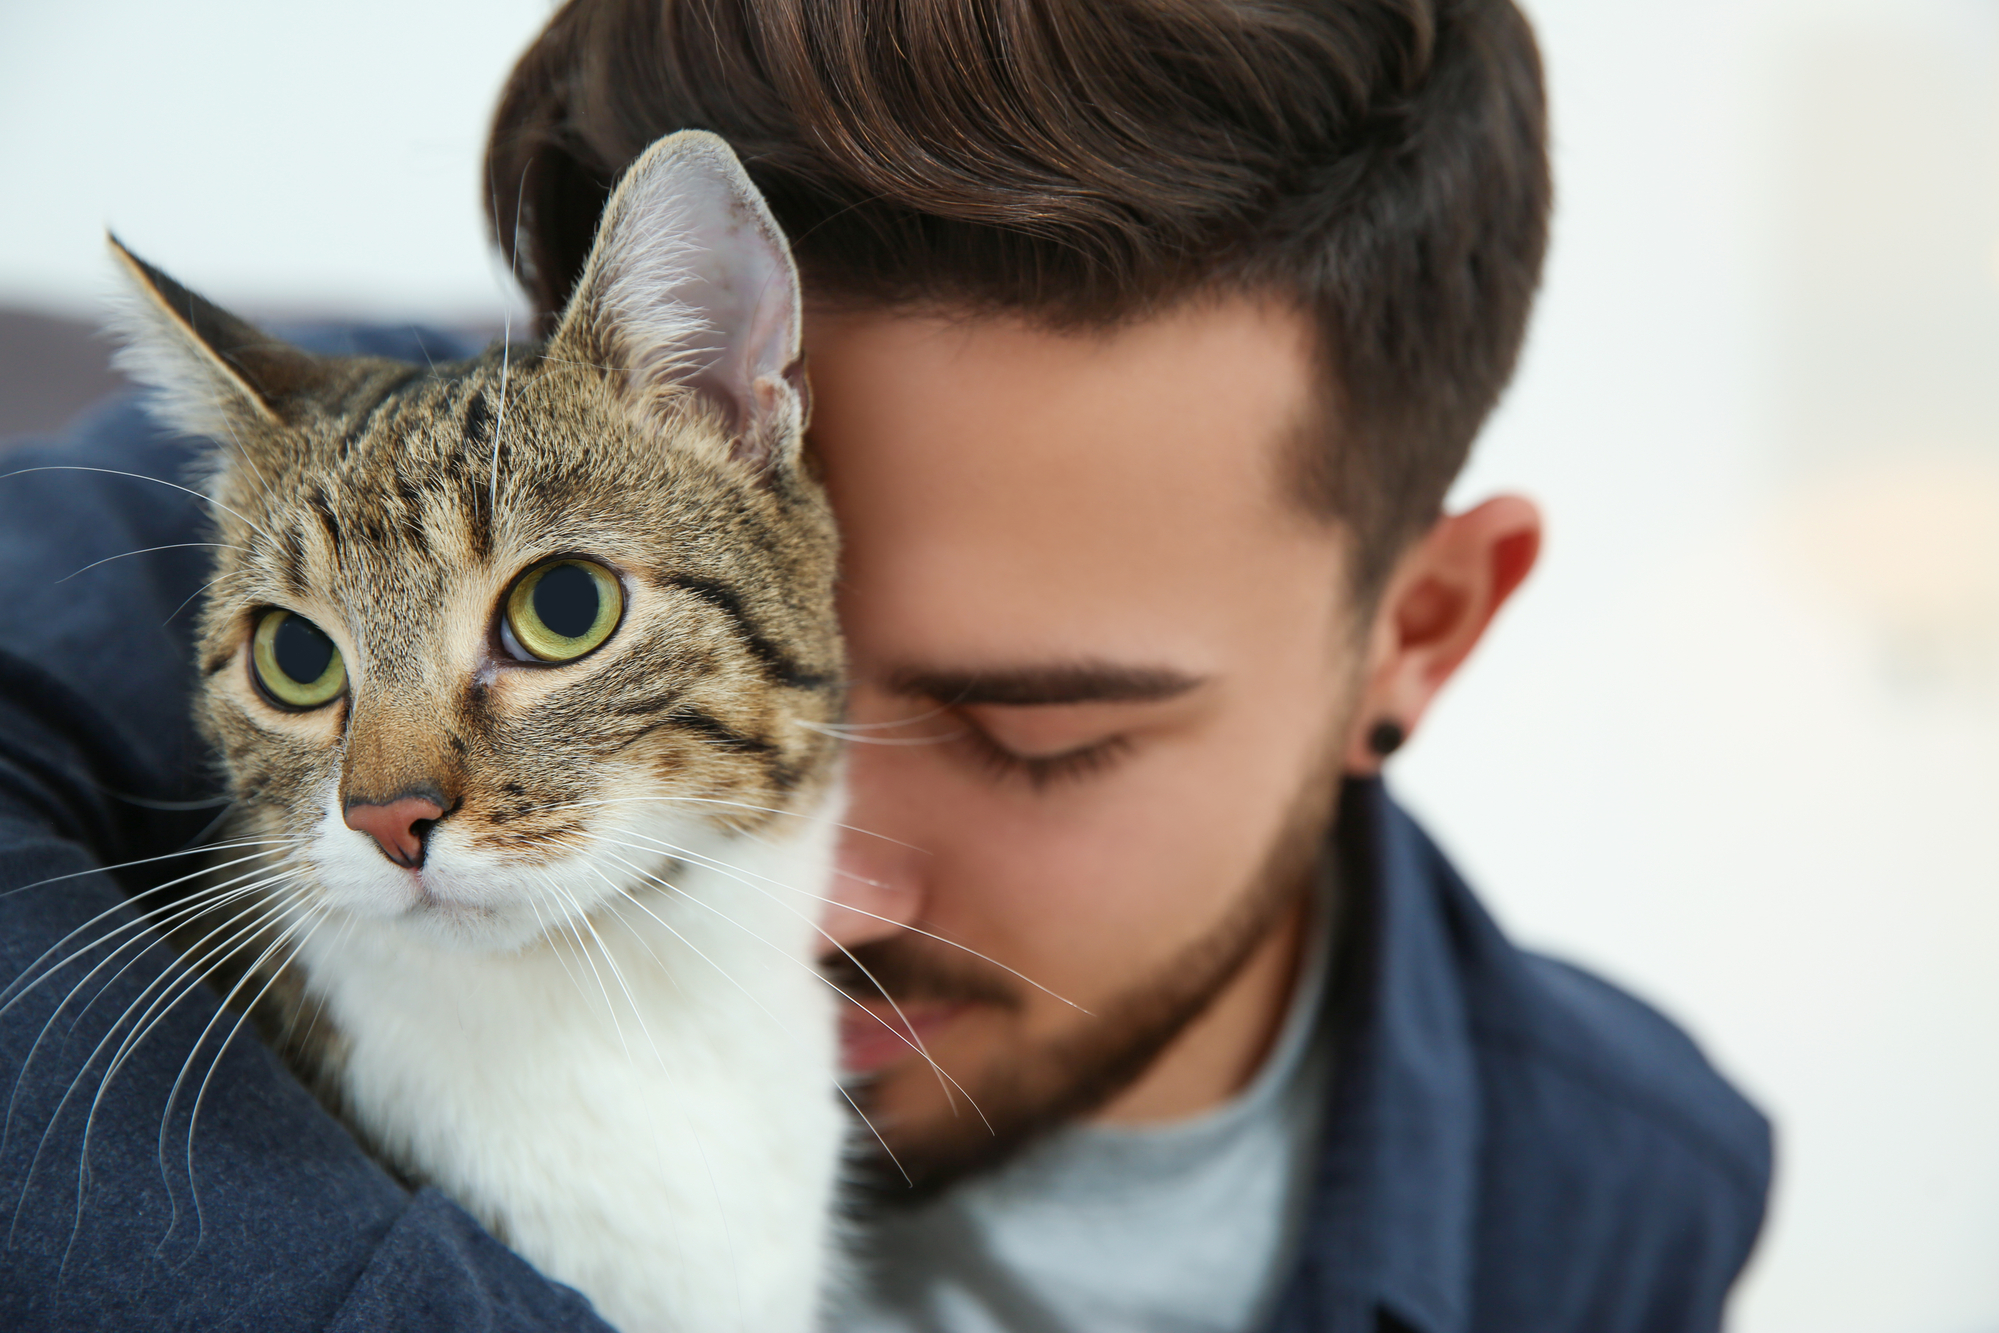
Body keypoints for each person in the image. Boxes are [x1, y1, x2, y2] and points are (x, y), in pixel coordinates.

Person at [0, 0, 1770, 1329]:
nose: (825, 879)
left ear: (1421, 631)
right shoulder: (365, 491)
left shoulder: (1617, 1203)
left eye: (1034, 731)